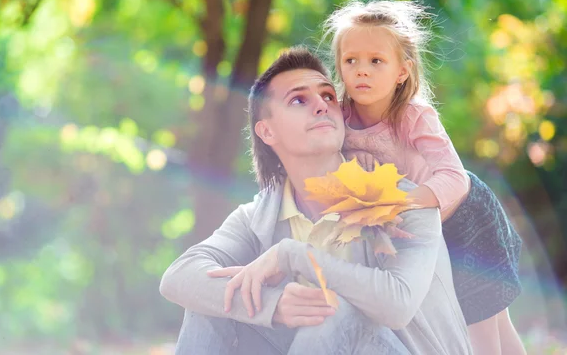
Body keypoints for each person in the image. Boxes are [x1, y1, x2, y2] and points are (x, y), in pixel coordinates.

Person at [160, 47, 472, 354]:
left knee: (333, 311)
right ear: (267, 131)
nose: (321, 106)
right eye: (298, 100)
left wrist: (296, 256)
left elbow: (398, 305)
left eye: (327, 96)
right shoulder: (258, 216)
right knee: (212, 301)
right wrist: (276, 305)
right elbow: (179, 276)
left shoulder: (403, 199)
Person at [322, 0, 524, 355]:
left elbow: (453, 176)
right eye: (350, 60)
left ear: (402, 70)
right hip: (419, 224)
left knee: (484, 326)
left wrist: (398, 203)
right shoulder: (338, 117)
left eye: (376, 61)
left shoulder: (413, 116)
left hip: (464, 217)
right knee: (486, 322)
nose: (361, 70)